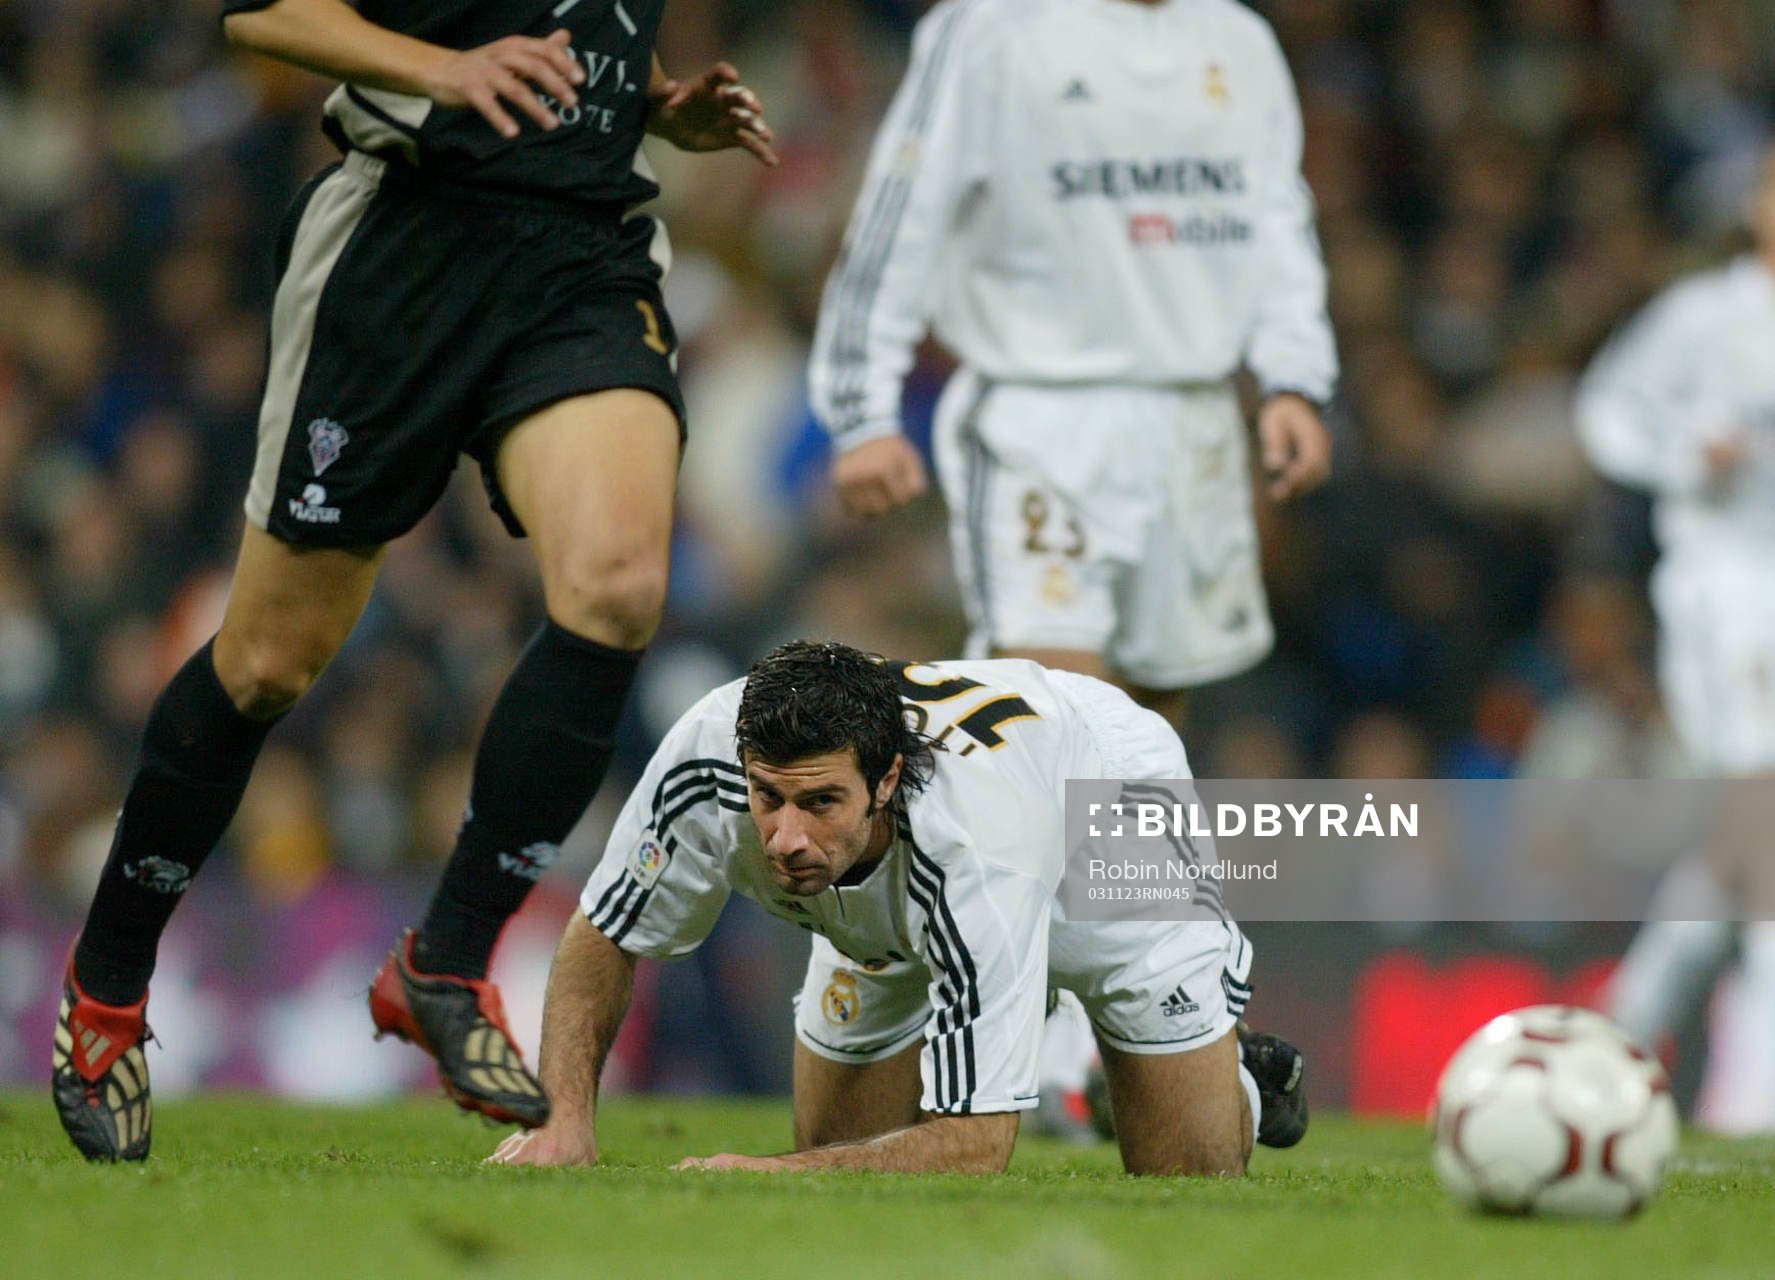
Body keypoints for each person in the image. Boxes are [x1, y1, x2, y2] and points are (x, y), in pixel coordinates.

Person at [51, 0, 777, 1162]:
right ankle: (103, 992)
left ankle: (443, 959)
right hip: (406, 243)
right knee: (269, 660)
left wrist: (638, 103)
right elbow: (268, 18)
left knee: (618, 583)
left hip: (583, 248)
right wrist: (446, 66)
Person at [490, 639, 1306, 1175]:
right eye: (767, 797)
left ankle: (1232, 1080)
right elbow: (605, 930)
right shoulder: (705, 754)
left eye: (817, 803)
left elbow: (979, 1144)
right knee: (842, 1168)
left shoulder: (977, 850)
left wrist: (763, 1172)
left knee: (1187, 1178)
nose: (782, 838)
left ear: (884, 781)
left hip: (1104, 815)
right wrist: (564, 1122)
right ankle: (1079, 1072)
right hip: (898, 894)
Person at [807, 0, 1337, 726]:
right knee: (1054, 715)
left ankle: (1126, 846)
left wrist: (1292, 378)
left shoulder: (1237, 39)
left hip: (1194, 413)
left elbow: (1277, 216)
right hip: (1040, 413)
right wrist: (862, 408)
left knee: (1151, 717)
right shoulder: (991, 28)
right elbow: (901, 214)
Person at [1576, 146, 1775, 1131]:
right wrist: (1679, 454)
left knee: (1742, 826)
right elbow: (1602, 411)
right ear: (1755, 203)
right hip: (1723, 581)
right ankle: (1755, 1076)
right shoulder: (1703, 319)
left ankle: (1624, 1019)